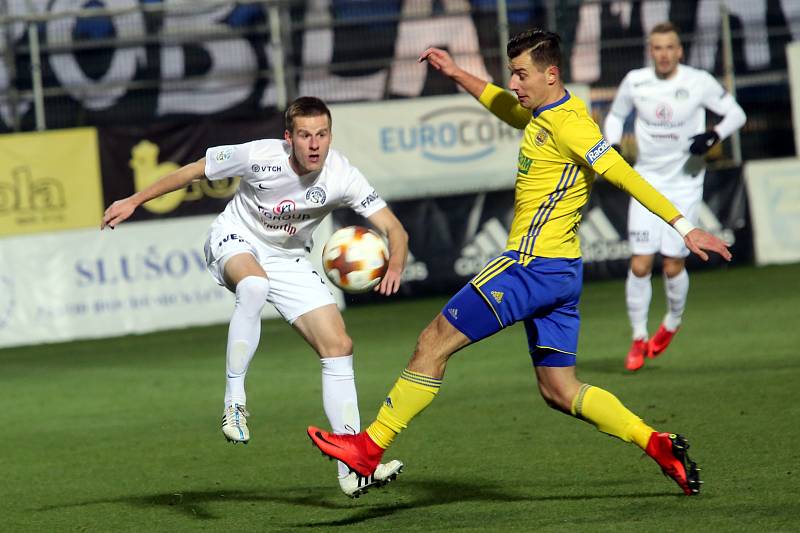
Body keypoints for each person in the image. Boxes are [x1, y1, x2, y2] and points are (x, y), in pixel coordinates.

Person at [307, 30, 733, 496]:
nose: (513, 82)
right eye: (512, 72)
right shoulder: (541, 113)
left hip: (529, 265)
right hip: (563, 273)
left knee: (432, 342)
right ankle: (656, 443)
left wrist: (684, 226)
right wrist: (455, 73)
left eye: (521, 73)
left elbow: (623, 173)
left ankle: (369, 448)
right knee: (559, 390)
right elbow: (505, 108)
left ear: (551, 74)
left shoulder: (573, 126)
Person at [101, 96, 409, 498]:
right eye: (304, 135)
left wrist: (397, 264)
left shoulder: (342, 175)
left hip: (288, 258)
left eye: (322, 134)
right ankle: (234, 401)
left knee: (339, 346)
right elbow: (195, 171)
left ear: (330, 135)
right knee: (253, 286)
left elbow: (394, 230)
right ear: (289, 138)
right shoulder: (260, 155)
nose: (314, 144)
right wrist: (134, 201)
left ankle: (353, 466)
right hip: (236, 239)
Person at [604, 22, 746, 372]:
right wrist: (614, 144)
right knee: (639, 263)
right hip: (645, 182)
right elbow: (616, 115)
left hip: (684, 184)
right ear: (650, 51)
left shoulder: (698, 81)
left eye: (670, 47)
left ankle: (672, 322)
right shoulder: (636, 81)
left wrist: (714, 135)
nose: (664, 54)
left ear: (679, 51)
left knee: (671, 264)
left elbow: (737, 114)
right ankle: (638, 338)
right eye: (657, 48)